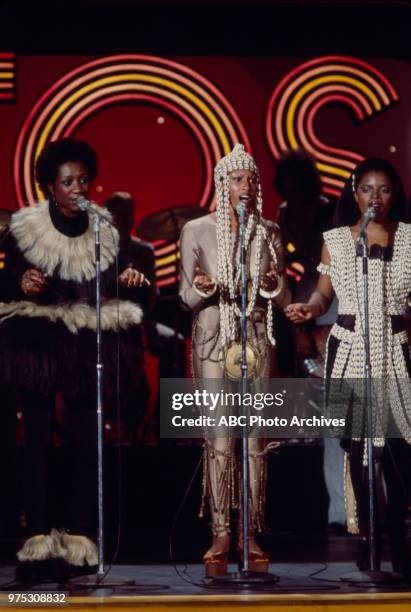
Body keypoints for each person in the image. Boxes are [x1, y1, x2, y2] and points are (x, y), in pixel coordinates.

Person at [0, 139, 146, 576]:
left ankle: (82, 536)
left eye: (84, 180)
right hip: (38, 344)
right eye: (68, 182)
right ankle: (38, 537)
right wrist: (20, 283)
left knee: (88, 443)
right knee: (38, 443)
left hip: (85, 345)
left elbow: (111, 286)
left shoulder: (103, 229)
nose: (78, 188)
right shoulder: (25, 229)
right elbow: (6, 282)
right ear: (50, 185)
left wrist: (130, 280)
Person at [285, 157, 411, 576]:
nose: (375, 198)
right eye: (367, 189)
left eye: (384, 190)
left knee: (398, 450)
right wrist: (309, 309)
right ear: (353, 193)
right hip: (349, 345)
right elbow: (324, 294)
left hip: (395, 349)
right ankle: (370, 539)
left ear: (395, 194)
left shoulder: (409, 238)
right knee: (358, 450)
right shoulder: (337, 240)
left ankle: (400, 537)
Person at [179, 143, 290, 575]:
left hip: (256, 339)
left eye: (252, 179)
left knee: (256, 441)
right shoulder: (196, 229)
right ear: (222, 184)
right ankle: (221, 531)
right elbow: (185, 296)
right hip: (212, 339)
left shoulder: (269, 231)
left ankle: (251, 530)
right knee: (221, 439)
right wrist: (206, 286)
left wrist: (271, 283)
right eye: (238, 179)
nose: (247, 186)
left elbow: (281, 297)